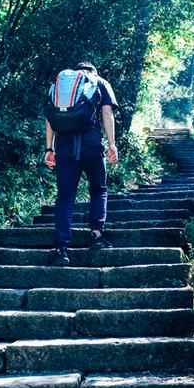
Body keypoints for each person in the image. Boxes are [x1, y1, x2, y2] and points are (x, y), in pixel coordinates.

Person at [44, 62, 118, 266]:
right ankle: (96, 236)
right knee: (98, 189)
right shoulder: (100, 82)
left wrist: (49, 149)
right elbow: (107, 113)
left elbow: (50, 118)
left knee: (65, 197)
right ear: (94, 71)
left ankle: (61, 249)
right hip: (92, 145)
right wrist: (112, 144)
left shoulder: (60, 85)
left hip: (65, 146)